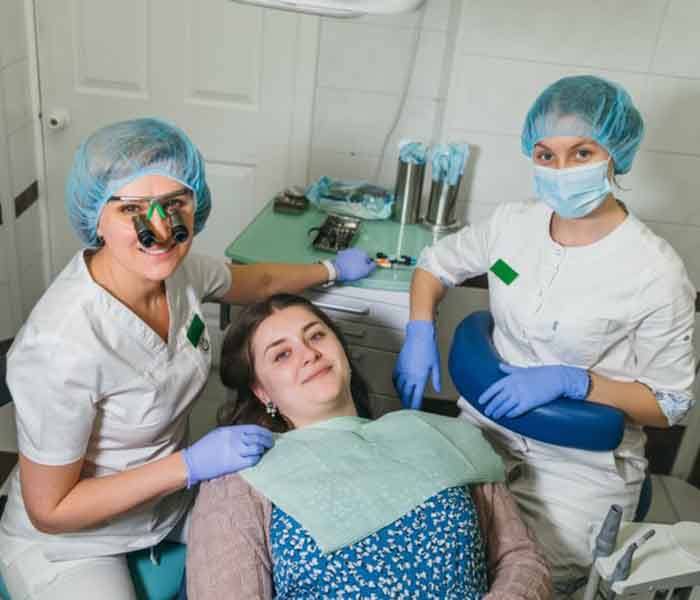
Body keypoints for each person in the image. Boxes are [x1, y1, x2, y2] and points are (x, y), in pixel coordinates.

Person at [0, 118, 376, 599]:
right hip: (75, 542)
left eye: (175, 203)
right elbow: (50, 509)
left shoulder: (179, 273)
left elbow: (254, 282)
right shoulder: (59, 344)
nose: (159, 229)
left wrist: (328, 268)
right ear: (95, 217)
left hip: (169, 504)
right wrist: (191, 464)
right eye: (132, 208)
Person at [393, 75, 696, 593]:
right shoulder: (513, 225)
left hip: (577, 469)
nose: (561, 171)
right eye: (545, 154)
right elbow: (434, 265)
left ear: (615, 156)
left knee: (522, 583)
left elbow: (671, 404)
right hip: (483, 430)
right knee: (429, 564)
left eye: (581, 152)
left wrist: (575, 382)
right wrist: (419, 330)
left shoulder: (655, 271)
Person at [186, 294, 551, 600]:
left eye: (316, 336)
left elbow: (521, 558)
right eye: (281, 355)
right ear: (261, 391)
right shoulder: (240, 481)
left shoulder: (444, 437)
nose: (308, 354)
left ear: (341, 351)